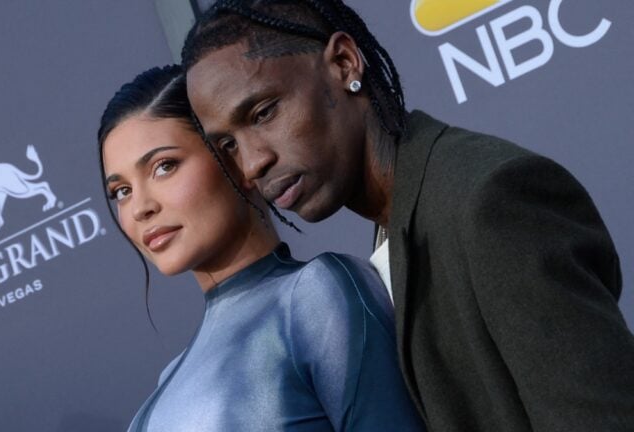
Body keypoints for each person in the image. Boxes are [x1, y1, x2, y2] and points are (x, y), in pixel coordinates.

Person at [180, 1, 634, 431]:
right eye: (228, 146)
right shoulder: (395, 227)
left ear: (343, 63)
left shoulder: (489, 201)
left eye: (263, 113)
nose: (252, 162)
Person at [97, 65, 425, 431]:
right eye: (121, 192)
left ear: (235, 159)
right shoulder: (167, 383)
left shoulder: (314, 296)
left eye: (164, 166)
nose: (140, 207)